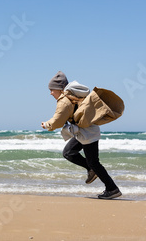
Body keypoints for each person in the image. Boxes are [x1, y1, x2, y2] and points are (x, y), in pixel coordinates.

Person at [41, 71, 122, 200]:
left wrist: (46, 125)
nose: (51, 93)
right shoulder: (75, 94)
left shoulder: (65, 100)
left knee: (94, 163)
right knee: (69, 152)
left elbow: (58, 120)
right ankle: (92, 170)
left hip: (87, 134)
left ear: (59, 89)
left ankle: (112, 188)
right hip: (84, 132)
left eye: (52, 90)